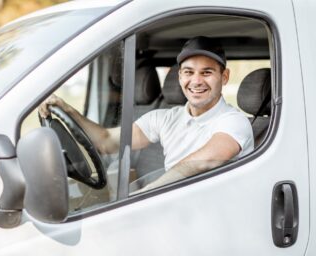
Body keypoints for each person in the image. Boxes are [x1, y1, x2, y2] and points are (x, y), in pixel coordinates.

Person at [39, 36, 254, 192]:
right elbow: (106, 141)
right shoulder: (165, 118)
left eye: (207, 73)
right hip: (177, 208)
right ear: (179, 77)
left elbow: (200, 163)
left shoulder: (234, 122)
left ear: (224, 77)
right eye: (189, 72)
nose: (196, 81)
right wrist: (69, 110)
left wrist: (146, 195)